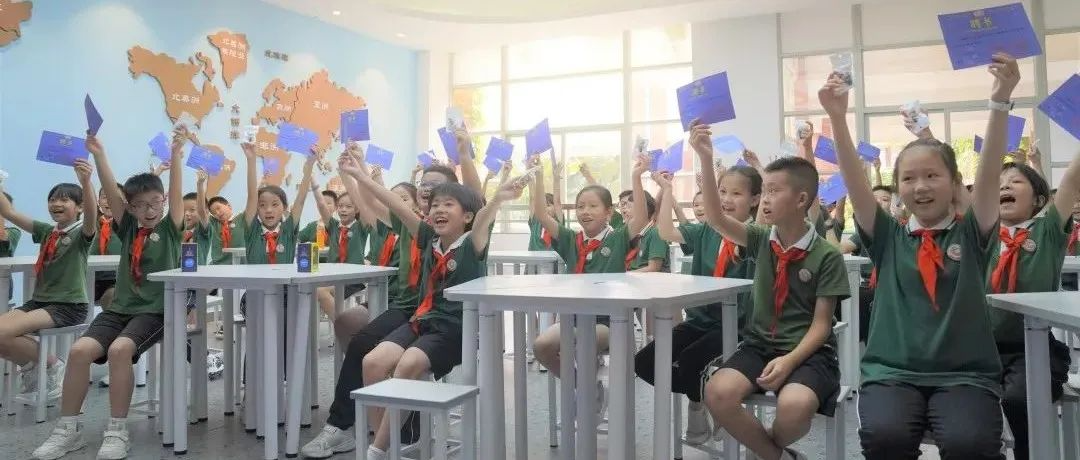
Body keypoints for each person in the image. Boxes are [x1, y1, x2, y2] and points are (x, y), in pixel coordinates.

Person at [823, 53, 1020, 459]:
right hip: (891, 373)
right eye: (909, 178)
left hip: (965, 376)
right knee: (884, 437)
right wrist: (838, 118)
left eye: (932, 176)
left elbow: (988, 175)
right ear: (898, 188)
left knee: (970, 444)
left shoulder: (973, 233)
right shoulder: (888, 237)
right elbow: (856, 183)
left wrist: (1000, 101)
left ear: (954, 183)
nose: (921, 187)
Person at [343, 154, 519, 460]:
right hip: (422, 320)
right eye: (435, 204)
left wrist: (499, 198)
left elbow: (484, 217)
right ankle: (386, 442)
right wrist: (359, 175)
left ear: (467, 216)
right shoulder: (427, 237)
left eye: (449, 204)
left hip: (454, 329)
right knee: (372, 362)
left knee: (407, 364)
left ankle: (375, 451)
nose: (439, 209)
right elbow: (397, 205)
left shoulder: (472, 243)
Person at [694, 121, 848, 460]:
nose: (764, 199)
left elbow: (822, 325)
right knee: (717, 393)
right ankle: (778, 456)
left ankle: (767, 449)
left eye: (773, 191)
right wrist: (705, 158)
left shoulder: (827, 255)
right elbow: (717, 219)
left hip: (809, 352)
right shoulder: (760, 239)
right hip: (759, 345)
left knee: (794, 408)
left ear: (801, 199)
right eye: (763, 191)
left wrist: (789, 360)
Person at [32, 128, 184, 460]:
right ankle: (68, 430)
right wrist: (99, 154)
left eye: (154, 203)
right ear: (130, 208)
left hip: (155, 310)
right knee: (79, 351)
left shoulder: (171, 228)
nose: (148, 210)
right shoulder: (127, 226)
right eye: (139, 205)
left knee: (119, 350)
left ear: (163, 202)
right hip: (120, 309)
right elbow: (114, 195)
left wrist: (176, 155)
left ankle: (117, 430)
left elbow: (174, 193)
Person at [641, 165, 760, 444]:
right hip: (701, 320)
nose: (726, 199)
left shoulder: (757, 235)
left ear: (755, 199)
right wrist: (667, 190)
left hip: (738, 325)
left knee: (691, 361)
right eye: (722, 192)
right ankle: (708, 401)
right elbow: (666, 231)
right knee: (645, 363)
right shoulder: (707, 230)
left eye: (736, 193)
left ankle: (701, 406)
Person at [530, 154, 651, 421]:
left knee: (581, 342)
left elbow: (641, 217)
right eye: (580, 206)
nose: (585, 211)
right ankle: (585, 386)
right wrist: (538, 176)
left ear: (609, 213)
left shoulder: (618, 238)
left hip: (610, 322)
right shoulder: (570, 240)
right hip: (574, 319)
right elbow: (541, 214)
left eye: (593, 206)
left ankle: (585, 389)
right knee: (541, 346)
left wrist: (636, 176)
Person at [989, 154, 1080, 460]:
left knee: (1021, 400)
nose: (1005, 186)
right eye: (999, 184)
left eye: (1015, 181)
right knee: (967, 406)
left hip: (1032, 350)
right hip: (980, 348)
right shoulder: (981, 235)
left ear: (1039, 200)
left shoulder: (1048, 230)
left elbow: (1071, 180)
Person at [0, 164, 96, 405]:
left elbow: (92, 216)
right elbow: (9, 212)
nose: (56, 204)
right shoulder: (47, 231)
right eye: (52, 199)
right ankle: (34, 367)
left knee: (3, 333)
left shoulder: (81, 233)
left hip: (68, 305)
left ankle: (52, 365)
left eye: (64, 199)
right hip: (39, 302)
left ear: (79, 207)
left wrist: (86, 182)